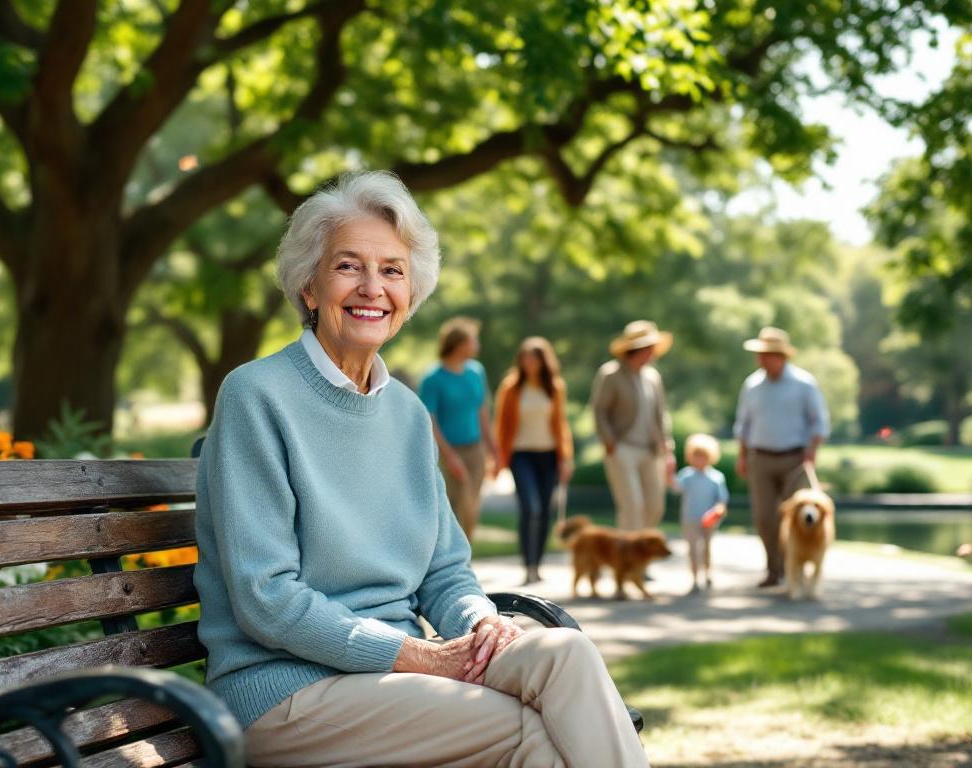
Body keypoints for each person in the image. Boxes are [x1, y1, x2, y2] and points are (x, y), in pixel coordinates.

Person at [194, 171, 648, 767]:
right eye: (348, 266)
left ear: (410, 294)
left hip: (395, 676)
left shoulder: (406, 413)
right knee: (536, 734)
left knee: (564, 655)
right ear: (309, 286)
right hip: (286, 691)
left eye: (392, 270)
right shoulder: (256, 396)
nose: (372, 288)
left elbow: (445, 571)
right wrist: (419, 656)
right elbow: (267, 599)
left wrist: (482, 624)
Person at [733, 326, 830, 588]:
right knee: (765, 517)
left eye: (767, 354)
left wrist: (812, 451)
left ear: (781, 356)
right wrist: (742, 456)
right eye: (760, 354)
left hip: (794, 459)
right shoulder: (752, 385)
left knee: (795, 518)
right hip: (760, 458)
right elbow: (743, 424)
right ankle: (774, 568)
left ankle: (793, 567)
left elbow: (819, 422)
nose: (762, 359)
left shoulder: (804, 384)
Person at [494, 337, 574, 586]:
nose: (530, 362)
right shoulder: (511, 388)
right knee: (531, 508)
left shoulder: (555, 388)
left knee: (546, 511)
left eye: (535, 357)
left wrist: (565, 458)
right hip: (521, 455)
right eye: (526, 357)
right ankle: (527, 564)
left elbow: (561, 424)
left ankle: (537, 564)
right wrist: (498, 458)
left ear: (543, 360)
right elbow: (502, 424)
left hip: (549, 454)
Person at [418, 317, 500, 541]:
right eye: (473, 340)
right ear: (459, 343)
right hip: (449, 451)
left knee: (472, 507)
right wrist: (450, 456)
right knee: (457, 506)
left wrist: (494, 449)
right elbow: (430, 422)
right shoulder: (433, 379)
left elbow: (482, 411)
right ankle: (451, 560)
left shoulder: (476, 372)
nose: (477, 345)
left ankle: (466, 560)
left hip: (475, 449)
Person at [590, 320, 676, 532]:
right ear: (634, 349)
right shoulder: (611, 374)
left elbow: (660, 414)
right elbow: (599, 410)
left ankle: (640, 555)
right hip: (623, 448)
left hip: (650, 450)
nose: (651, 352)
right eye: (647, 347)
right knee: (632, 506)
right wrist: (610, 442)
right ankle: (627, 561)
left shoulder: (653, 377)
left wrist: (667, 446)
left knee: (654, 506)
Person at [673, 433, 729, 594]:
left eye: (703, 456)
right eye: (696, 456)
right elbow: (677, 488)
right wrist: (668, 475)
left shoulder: (716, 477)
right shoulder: (687, 475)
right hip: (690, 519)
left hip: (708, 521)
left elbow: (722, 500)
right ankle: (694, 578)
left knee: (706, 548)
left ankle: (708, 572)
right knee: (692, 550)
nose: (699, 460)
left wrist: (718, 510)